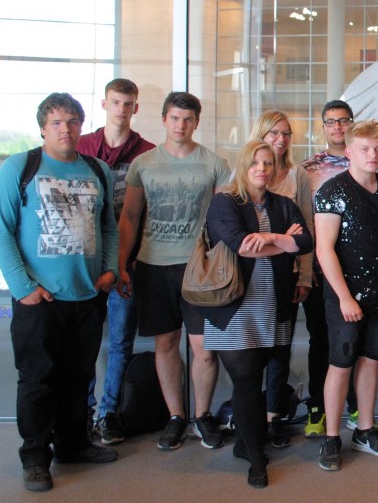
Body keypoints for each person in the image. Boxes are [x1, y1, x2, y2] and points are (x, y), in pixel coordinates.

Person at [0, 93, 119, 492]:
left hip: (86, 296)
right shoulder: (21, 167)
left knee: (78, 378)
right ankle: (35, 458)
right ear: (43, 127)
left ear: (82, 125)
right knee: (37, 380)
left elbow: (109, 227)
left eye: (73, 121)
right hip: (40, 300)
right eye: (58, 122)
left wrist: (110, 270)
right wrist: (23, 287)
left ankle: (72, 444)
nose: (66, 129)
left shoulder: (97, 170)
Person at [118, 92, 231, 452]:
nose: (181, 125)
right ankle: (175, 417)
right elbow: (130, 217)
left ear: (197, 122)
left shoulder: (214, 163)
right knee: (165, 344)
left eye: (188, 119)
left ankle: (202, 415)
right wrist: (120, 264)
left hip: (197, 269)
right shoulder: (144, 163)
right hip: (153, 266)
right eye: (174, 118)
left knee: (205, 349)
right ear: (164, 119)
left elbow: (223, 219)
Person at [201, 140, 311, 487]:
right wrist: (282, 239)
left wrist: (271, 239)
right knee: (246, 381)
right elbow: (240, 246)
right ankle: (257, 460)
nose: (262, 169)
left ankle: (247, 444)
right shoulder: (225, 202)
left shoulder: (284, 203)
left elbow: (305, 243)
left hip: (273, 303)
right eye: (255, 163)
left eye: (268, 163)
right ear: (244, 166)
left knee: (262, 373)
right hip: (234, 307)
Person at [314, 120, 378, 471]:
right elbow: (325, 250)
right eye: (365, 148)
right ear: (349, 151)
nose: (373, 154)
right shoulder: (331, 190)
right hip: (344, 295)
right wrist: (344, 298)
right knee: (340, 364)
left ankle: (365, 430)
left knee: (371, 361)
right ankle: (332, 436)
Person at [78, 78, 155, 446]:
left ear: (136, 108)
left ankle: (108, 414)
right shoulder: (81, 148)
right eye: (116, 102)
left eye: (128, 104)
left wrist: (127, 261)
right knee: (86, 341)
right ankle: (82, 411)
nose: (121, 110)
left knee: (121, 341)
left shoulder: (147, 153)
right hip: (87, 264)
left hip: (129, 262)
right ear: (104, 104)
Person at [249, 110, 313, 447]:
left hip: (286, 276)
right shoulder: (243, 174)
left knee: (280, 349)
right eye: (273, 132)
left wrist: (304, 274)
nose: (281, 139)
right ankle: (249, 416)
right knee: (251, 351)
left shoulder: (297, 175)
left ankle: (273, 417)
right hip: (249, 278)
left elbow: (306, 232)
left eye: (286, 133)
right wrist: (280, 237)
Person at [298, 99, 354, 436]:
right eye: (331, 122)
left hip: (358, 267)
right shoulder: (308, 169)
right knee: (320, 338)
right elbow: (303, 223)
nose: (338, 127)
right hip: (320, 269)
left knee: (354, 339)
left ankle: (355, 406)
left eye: (344, 121)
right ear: (323, 127)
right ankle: (317, 408)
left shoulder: (366, 160)